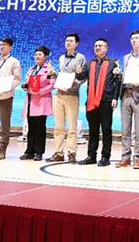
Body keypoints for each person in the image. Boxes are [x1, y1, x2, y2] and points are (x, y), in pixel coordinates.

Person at [77, 38, 122, 167]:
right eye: (95, 46)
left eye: (100, 46)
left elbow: (118, 81)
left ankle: (105, 157)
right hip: (91, 101)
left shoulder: (113, 62)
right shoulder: (89, 63)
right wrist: (78, 72)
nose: (97, 48)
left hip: (106, 101)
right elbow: (81, 77)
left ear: (106, 48)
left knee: (106, 130)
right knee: (93, 130)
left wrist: (115, 98)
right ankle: (91, 156)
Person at [116, 30, 139, 169]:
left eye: (136, 38)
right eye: (132, 38)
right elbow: (125, 76)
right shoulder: (126, 57)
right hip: (125, 94)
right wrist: (118, 74)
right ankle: (125, 157)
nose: (133, 40)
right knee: (125, 129)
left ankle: (137, 157)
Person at [46, 33, 86, 164]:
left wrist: (73, 85)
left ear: (76, 44)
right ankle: (58, 152)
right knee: (58, 126)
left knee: (72, 126)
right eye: (67, 41)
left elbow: (83, 77)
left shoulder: (81, 58)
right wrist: (53, 74)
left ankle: (72, 152)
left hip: (72, 94)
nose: (68, 43)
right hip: (58, 94)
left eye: (71, 41)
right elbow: (62, 75)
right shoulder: (61, 58)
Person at [20, 46, 56, 161]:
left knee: (40, 128)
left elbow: (52, 85)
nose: (37, 56)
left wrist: (40, 91)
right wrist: (25, 86)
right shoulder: (31, 69)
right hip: (31, 101)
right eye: (36, 54)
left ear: (46, 56)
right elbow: (28, 82)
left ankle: (39, 152)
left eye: (40, 54)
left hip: (42, 101)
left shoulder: (49, 69)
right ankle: (29, 151)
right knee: (31, 127)